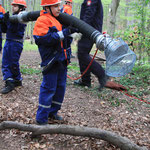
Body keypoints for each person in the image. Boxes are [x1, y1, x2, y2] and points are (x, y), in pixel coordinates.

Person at [33, 0, 76, 125]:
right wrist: (64, 32)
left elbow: (63, 40)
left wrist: (70, 32)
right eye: (56, 6)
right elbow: (44, 39)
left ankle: (53, 112)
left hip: (61, 60)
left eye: (59, 5)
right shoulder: (42, 20)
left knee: (60, 87)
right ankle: (41, 119)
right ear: (47, 8)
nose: (59, 8)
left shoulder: (58, 19)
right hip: (51, 61)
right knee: (48, 89)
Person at [74, 0, 107, 90]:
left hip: (89, 30)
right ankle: (85, 80)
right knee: (82, 53)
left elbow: (89, 14)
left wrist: (81, 28)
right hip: (89, 29)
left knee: (82, 54)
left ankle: (102, 75)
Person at [1, 0, 27, 94]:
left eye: (15, 6)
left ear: (21, 8)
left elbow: (14, 29)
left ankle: (10, 82)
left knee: (9, 62)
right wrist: (3, 22)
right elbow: (5, 30)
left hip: (15, 43)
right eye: (13, 6)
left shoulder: (22, 17)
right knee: (10, 62)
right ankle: (17, 79)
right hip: (10, 41)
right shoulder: (14, 17)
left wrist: (8, 21)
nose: (13, 8)